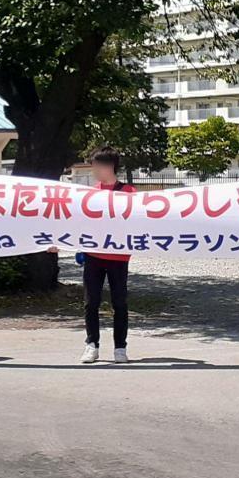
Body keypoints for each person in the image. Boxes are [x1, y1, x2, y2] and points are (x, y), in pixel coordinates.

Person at [80, 146, 136, 364]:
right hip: (93, 255)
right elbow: (74, 222)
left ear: (109, 166)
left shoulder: (129, 193)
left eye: (96, 165)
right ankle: (91, 345)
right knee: (90, 302)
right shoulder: (90, 194)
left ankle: (120, 348)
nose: (93, 169)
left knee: (119, 303)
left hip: (119, 257)